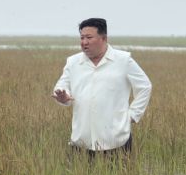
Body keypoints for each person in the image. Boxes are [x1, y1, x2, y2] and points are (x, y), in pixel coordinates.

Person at [52, 18, 152, 155]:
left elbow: (145, 86)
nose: (84, 42)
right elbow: (62, 86)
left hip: (116, 141)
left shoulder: (123, 60)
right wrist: (63, 97)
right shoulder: (73, 62)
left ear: (103, 38)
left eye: (89, 37)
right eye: (82, 38)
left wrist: (133, 115)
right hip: (82, 142)